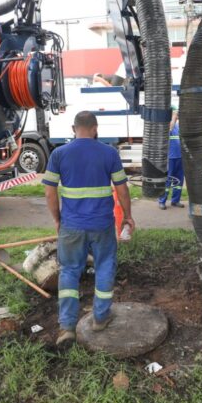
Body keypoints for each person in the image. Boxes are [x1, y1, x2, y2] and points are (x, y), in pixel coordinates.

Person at [42, 111, 135, 347]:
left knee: (69, 272)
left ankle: (67, 328)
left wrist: (57, 219)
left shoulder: (59, 154)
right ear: (95, 128)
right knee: (104, 266)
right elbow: (122, 189)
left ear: (74, 129)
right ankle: (101, 318)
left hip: (71, 226)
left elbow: (50, 191)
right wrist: (127, 216)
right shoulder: (109, 153)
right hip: (102, 225)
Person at [159, 106, 184, 210]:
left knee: (179, 181)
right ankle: (162, 201)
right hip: (170, 158)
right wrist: (174, 116)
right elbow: (170, 128)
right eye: (175, 114)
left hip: (180, 158)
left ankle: (175, 200)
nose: (177, 116)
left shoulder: (178, 126)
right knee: (167, 180)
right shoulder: (165, 125)